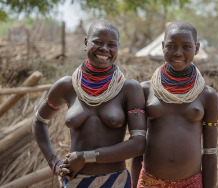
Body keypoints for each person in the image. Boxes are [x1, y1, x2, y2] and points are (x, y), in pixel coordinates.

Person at [32, 19, 147, 188]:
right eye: (98, 42)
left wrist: (86, 157)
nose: (104, 49)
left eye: (111, 45)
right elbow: (39, 121)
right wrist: (53, 163)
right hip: (75, 181)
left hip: (115, 181)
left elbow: (139, 144)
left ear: (117, 48)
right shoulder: (67, 86)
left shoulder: (128, 89)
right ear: (86, 43)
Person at [132, 21, 218, 188]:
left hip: (191, 183)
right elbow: (137, 149)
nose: (178, 53)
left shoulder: (207, 96)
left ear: (197, 48)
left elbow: (210, 154)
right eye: (171, 46)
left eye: (186, 46)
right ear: (163, 46)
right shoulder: (144, 90)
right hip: (149, 181)